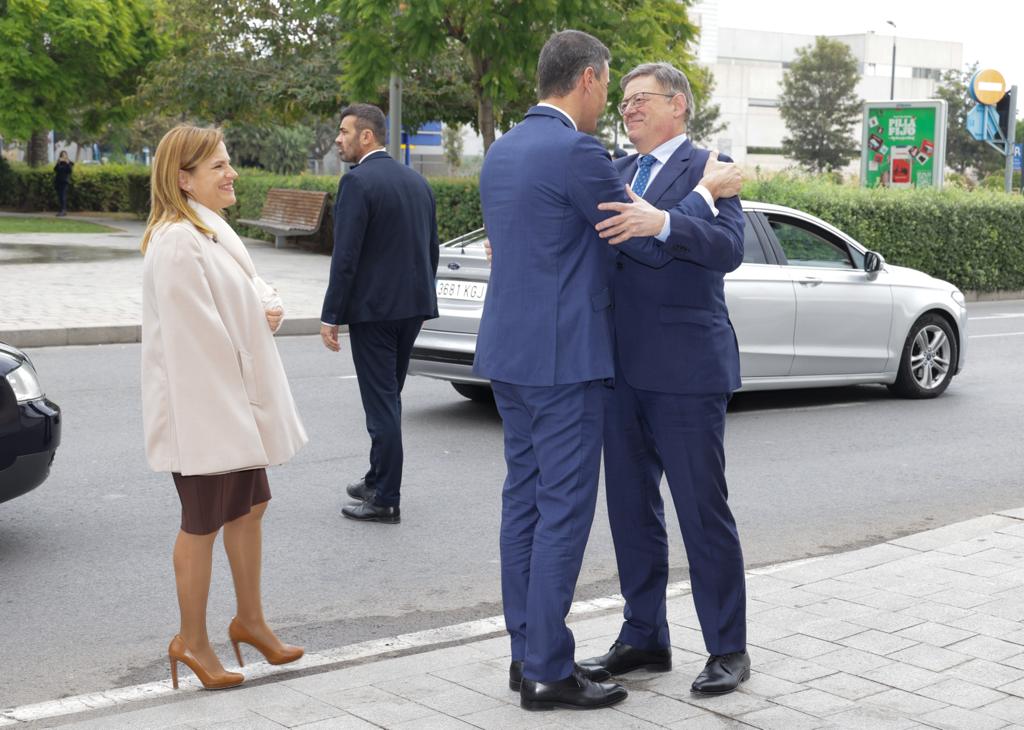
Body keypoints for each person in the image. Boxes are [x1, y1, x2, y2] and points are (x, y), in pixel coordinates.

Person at [474, 30, 673, 712]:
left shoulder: (502, 150)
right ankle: (550, 673)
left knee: (521, 504)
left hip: (509, 355)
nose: (608, 103)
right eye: (607, 86)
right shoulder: (577, 151)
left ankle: (525, 654)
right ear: (587, 79)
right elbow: (633, 236)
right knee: (562, 511)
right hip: (565, 362)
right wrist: (694, 202)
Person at [575, 62, 751, 695]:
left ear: (678, 105)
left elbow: (729, 248)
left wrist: (670, 221)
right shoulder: (616, 172)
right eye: (622, 102)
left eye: (640, 99)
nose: (627, 110)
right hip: (617, 373)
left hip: (685, 371)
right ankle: (644, 636)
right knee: (630, 512)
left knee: (702, 512)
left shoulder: (714, 167)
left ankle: (728, 647)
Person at [140, 125, 308, 690]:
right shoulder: (175, 241)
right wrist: (253, 324)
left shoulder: (209, 230)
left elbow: (249, 288)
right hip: (206, 412)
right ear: (183, 178)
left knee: (250, 507)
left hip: (232, 405)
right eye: (219, 167)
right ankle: (191, 641)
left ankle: (250, 621)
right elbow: (196, 339)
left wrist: (267, 305)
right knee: (202, 523)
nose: (231, 173)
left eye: (228, 163)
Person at [320, 103, 439, 525]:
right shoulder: (417, 182)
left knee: (381, 405)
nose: (339, 139)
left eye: (344, 132)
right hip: (410, 309)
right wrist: (425, 302)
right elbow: (431, 250)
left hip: (374, 312)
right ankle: (376, 478)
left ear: (366, 136)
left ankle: (385, 498)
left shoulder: (357, 183)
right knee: (388, 399)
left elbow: (345, 256)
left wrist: (330, 314)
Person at [53, 151, 73, 216]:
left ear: (67, 155)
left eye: (65, 155)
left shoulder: (69, 163)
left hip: (65, 182)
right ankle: (61, 210)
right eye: (62, 155)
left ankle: (63, 210)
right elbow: (55, 169)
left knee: (63, 196)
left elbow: (69, 171)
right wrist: (58, 162)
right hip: (58, 181)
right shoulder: (60, 163)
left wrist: (67, 163)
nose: (63, 156)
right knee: (59, 196)